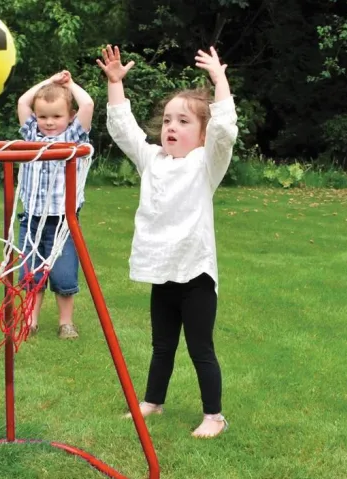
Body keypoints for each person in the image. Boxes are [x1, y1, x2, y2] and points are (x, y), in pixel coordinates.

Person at [96, 45, 237, 438]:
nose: (171, 127)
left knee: (200, 349)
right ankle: (153, 402)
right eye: (168, 120)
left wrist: (219, 79)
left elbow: (225, 131)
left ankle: (214, 416)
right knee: (162, 346)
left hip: (196, 275)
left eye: (184, 121)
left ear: (203, 134)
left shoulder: (206, 164)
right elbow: (123, 129)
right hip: (164, 273)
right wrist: (115, 84)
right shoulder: (153, 160)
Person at [16, 70, 94, 339]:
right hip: (32, 219)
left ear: (70, 117)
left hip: (63, 222)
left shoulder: (73, 136)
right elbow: (22, 103)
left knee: (63, 276)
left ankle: (66, 323)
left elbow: (88, 105)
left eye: (56, 116)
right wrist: (48, 82)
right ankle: (30, 321)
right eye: (43, 116)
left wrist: (69, 84)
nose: (49, 123)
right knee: (31, 273)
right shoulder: (31, 135)